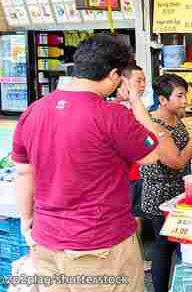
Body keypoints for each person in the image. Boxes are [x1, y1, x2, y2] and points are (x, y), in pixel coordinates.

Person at [12, 34, 181, 292]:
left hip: (45, 243)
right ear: (115, 75)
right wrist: (135, 100)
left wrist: (27, 222)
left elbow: (24, 172)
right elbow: (152, 153)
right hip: (99, 247)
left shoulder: (34, 110)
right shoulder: (111, 115)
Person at [141, 74, 192, 292]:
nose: (184, 100)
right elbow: (176, 161)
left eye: (185, 94)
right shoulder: (154, 125)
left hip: (178, 193)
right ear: (162, 100)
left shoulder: (177, 119)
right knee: (166, 245)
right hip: (159, 195)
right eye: (179, 96)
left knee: (170, 244)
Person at [119, 64, 151, 272]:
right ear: (123, 82)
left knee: (135, 215)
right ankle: (136, 261)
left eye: (144, 80)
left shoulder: (137, 106)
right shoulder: (122, 110)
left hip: (138, 172)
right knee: (133, 216)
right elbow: (148, 140)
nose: (142, 84)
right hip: (131, 174)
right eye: (138, 80)